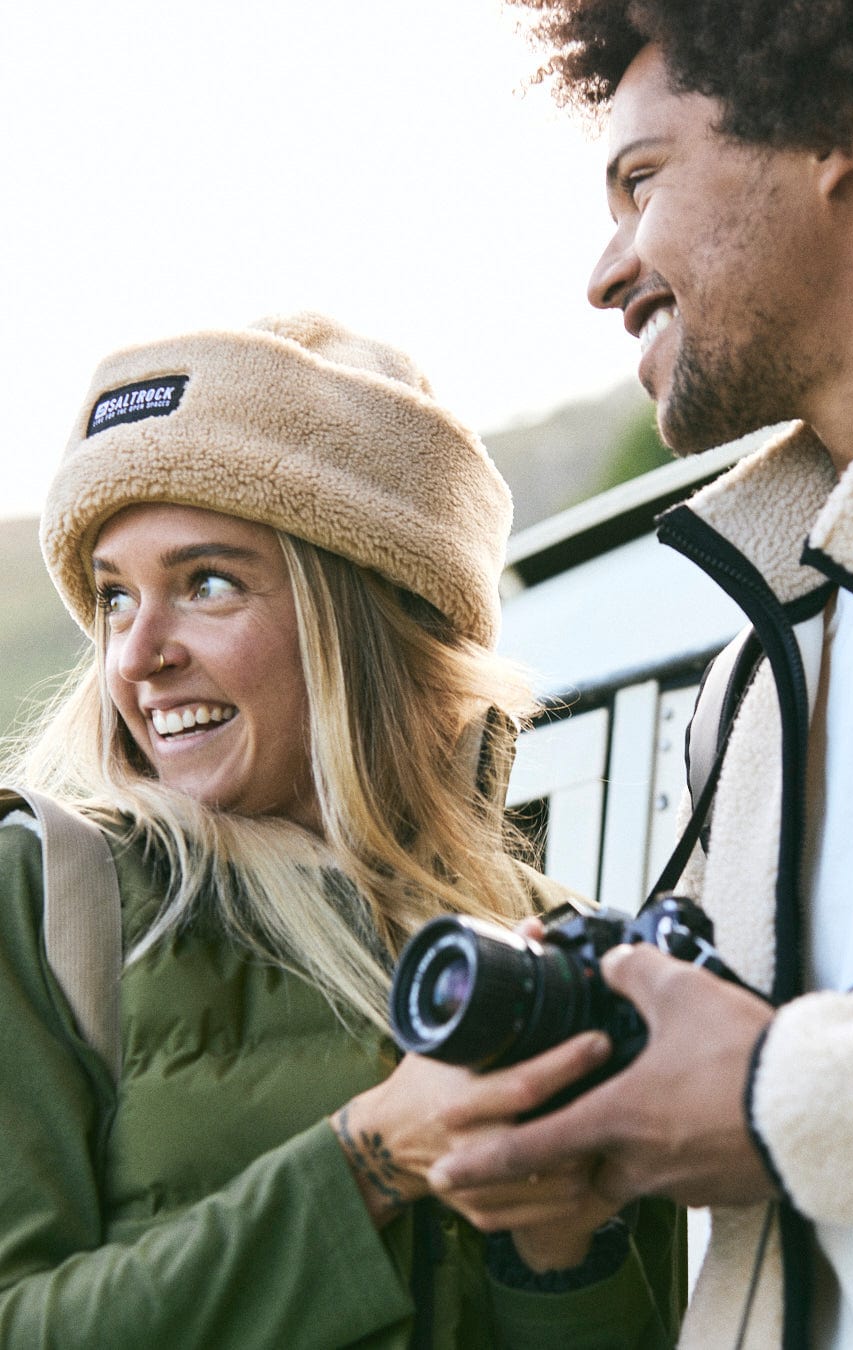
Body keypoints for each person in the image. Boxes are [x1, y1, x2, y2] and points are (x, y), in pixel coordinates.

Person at [429, 2, 853, 1346]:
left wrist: (781, 1093)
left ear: (836, 125)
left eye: (641, 180)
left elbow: (775, 1100)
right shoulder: (757, 684)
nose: (604, 274)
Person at [0, 311, 683, 1347]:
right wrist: (368, 1159)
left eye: (207, 582)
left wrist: (559, 1247)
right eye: (113, 597)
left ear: (363, 611)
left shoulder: (557, 947)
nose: (135, 657)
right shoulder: (48, 892)